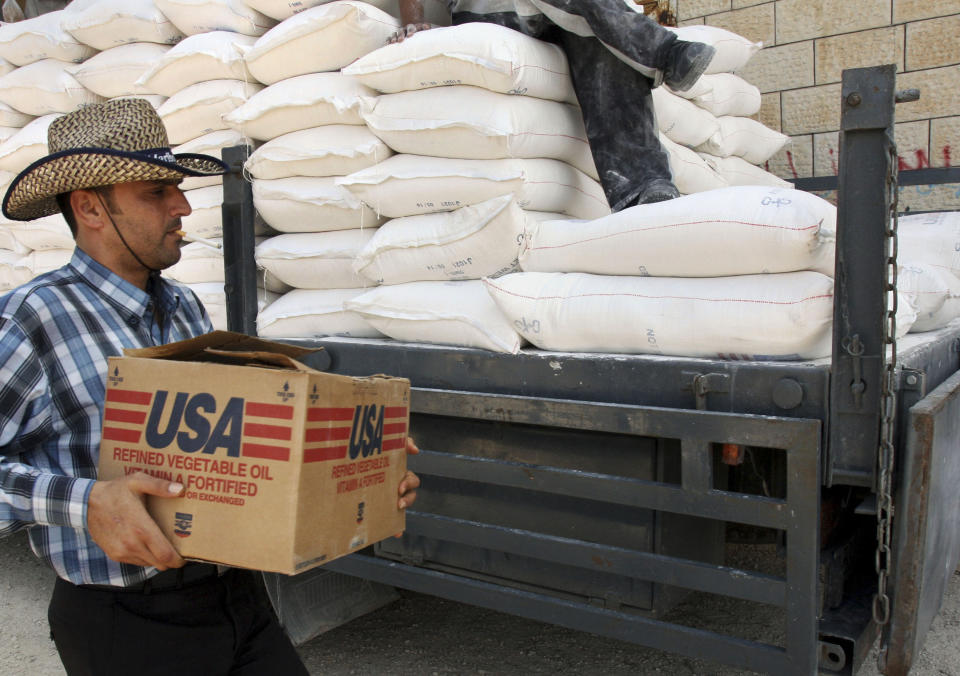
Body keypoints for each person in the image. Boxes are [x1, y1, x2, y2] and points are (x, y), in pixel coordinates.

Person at [0, 98, 421, 675]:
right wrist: (87, 501)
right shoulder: (31, 320)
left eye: (176, 188)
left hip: (237, 597)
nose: (183, 206)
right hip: (127, 621)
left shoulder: (183, 308)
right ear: (90, 207)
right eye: (155, 191)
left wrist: (354, 458)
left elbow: (235, 442)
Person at [395, 0, 716, 211]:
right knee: (606, 29)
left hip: (564, 11)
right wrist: (416, 21)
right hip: (491, 9)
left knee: (606, 44)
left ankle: (643, 188)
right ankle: (663, 52)